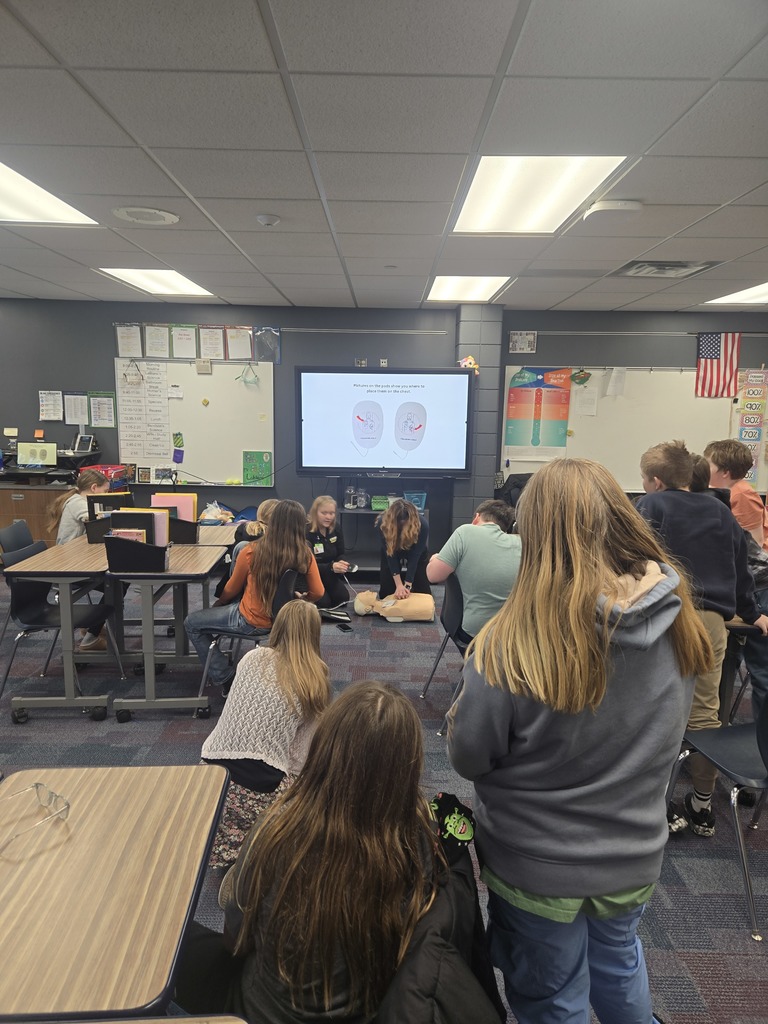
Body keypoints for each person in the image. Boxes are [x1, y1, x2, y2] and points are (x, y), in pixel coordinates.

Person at [447, 458, 713, 1024]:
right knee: (619, 964)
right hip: (634, 852)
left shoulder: (509, 643)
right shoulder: (679, 617)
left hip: (535, 862)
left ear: (535, 536)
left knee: (551, 995)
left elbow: (470, 757)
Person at [174, 681, 504, 1023]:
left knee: (165, 934)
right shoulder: (421, 840)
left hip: (262, 1012)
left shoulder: (275, 829)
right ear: (408, 767)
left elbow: (236, 943)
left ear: (325, 748)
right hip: (371, 1012)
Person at [636, 440, 768, 836]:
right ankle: (703, 804)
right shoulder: (720, 509)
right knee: (706, 711)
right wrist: (751, 611)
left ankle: (653, 803)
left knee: (651, 705)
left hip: (664, 613)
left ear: (656, 481)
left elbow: (631, 560)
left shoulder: (650, 507)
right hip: (711, 620)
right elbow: (741, 569)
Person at [201, 601, 332, 866]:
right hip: (259, 790)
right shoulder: (315, 680)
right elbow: (299, 760)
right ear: (314, 634)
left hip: (209, 778)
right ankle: (254, 857)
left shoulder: (251, 657)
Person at [185, 499, 323, 689]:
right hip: (283, 622)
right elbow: (318, 592)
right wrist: (300, 600)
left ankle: (225, 677)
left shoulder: (250, 551)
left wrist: (220, 604)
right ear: (300, 526)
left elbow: (231, 589)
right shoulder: (304, 553)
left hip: (250, 621)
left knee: (191, 623)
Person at [427, 498, 521, 642]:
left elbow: (433, 575)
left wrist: (436, 558)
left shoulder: (466, 532)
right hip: (515, 637)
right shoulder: (522, 543)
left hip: (473, 635)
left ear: (477, 517)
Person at [47, 468, 110, 651]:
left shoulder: (78, 500)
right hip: (69, 567)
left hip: (78, 560)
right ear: (93, 488)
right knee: (116, 585)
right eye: (105, 491)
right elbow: (96, 519)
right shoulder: (78, 503)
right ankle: (91, 637)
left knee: (116, 583)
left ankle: (93, 626)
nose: (107, 495)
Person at [705, 438, 768, 549]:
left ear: (725, 472)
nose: (703, 468)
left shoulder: (743, 495)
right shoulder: (716, 490)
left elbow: (755, 543)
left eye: (707, 465)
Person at [377, 498, 430, 600]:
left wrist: (407, 586)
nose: (401, 524)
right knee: (386, 594)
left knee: (424, 594)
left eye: (404, 522)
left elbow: (415, 557)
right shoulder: (383, 524)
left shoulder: (422, 525)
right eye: (399, 522)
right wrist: (399, 585)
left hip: (415, 550)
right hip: (392, 550)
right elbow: (390, 556)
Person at [306, 495, 351, 608]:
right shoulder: (306, 531)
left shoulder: (336, 528)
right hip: (312, 574)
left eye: (331, 513)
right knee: (324, 604)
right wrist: (331, 567)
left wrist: (342, 563)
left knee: (343, 599)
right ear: (315, 513)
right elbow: (307, 564)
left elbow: (341, 553)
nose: (328, 517)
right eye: (324, 513)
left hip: (330, 573)